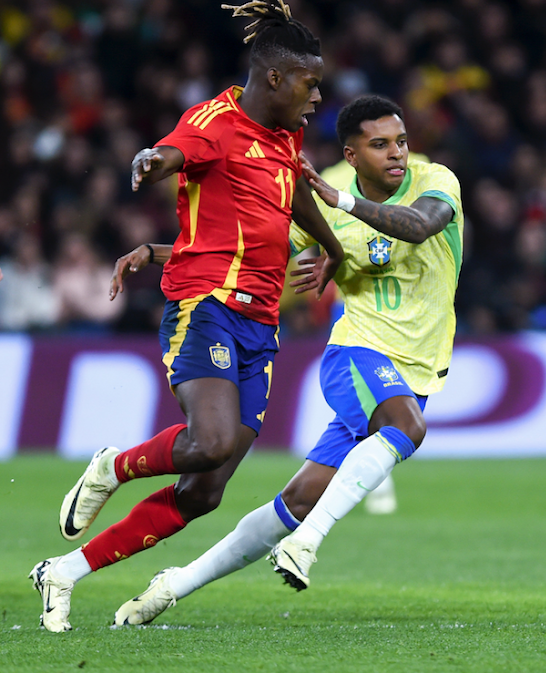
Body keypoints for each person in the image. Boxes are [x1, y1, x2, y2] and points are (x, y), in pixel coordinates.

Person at [30, 0, 343, 633]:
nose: (317, 97)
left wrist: (330, 245)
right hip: (206, 305)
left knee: (204, 490)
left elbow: (292, 193)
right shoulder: (213, 122)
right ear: (276, 78)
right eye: (310, 84)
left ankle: (64, 572)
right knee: (209, 441)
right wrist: (151, 160)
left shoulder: (284, 136)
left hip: (261, 323)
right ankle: (113, 465)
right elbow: (174, 151)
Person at [108, 94, 463, 624]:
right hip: (358, 353)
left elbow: (419, 225)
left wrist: (340, 202)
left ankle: (174, 584)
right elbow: (248, 248)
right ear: (352, 153)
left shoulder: (436, 180)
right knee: (406, 429)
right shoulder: (325, 211)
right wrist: (157, 252)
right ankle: (305, 546)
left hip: (417, 367)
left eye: (402, 141)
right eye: (381, 144)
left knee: (295, 503)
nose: (397, 154)